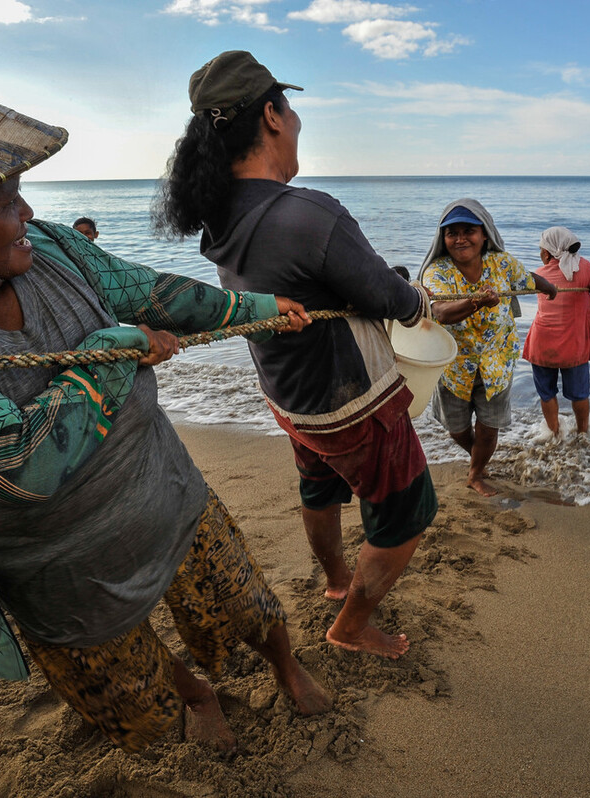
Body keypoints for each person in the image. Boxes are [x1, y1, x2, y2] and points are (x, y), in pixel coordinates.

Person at [0, 56, 328, 756]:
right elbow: (14, 470)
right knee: (129, 683)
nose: (29, 214)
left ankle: (286, 666)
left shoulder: (48, 248)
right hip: (54, 569)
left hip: (161, 490)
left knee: (244, 603)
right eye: (7, 201)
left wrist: (255, 307)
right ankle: (193, 692)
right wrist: (106, 354)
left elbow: (150, 294)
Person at [152, 50, 437, 660]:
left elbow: (314, 283)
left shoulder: (223, 219)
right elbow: (390, 298)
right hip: (354, 405)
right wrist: (415, 299)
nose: (299, 118)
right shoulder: (309, 213)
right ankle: (352, 626)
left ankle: (337, 580)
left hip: (291, 400)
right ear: (274, 116)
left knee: (319, 485)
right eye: (292, 106)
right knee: (409, 511)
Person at [419, 200, 557, 497]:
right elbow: (439, 312)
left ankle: (476, 472)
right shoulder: (436, 272)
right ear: (442, 239)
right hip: (453, 365)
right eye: (451, 233)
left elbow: (526, 279)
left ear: (484, 235)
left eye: (468, 231)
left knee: (488, 426)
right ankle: (478, 455)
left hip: (497, 361)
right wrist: (476, 302)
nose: (460, 239)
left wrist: (549, 287)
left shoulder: (502, 263)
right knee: (456, 428)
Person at [522, 226, 590, 437]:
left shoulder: (539, 275)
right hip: (573, 346)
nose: (540, 253)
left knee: (547, 393)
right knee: (579, 394)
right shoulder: (583, 268)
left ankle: (553, 433)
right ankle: (583, 434)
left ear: (549, 252)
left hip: (542, 345)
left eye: (542, 249)